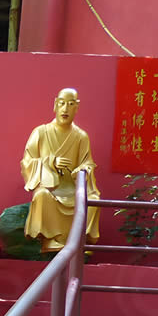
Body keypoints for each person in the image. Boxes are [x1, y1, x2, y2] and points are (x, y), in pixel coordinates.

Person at [21, 88, 101, 252]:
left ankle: (80, 240)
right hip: (50, 187)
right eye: (62, 103)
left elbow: (88, 163)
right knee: (42, 195)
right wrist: (50, 162)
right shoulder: (41, 132)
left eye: (71, 104)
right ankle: (51, 239)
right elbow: (27, 161)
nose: (65, 109)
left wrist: (81, 170)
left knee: (94, 198)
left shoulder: (81, 136)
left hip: (72, 186)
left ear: (77, 108)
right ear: (55, 104)